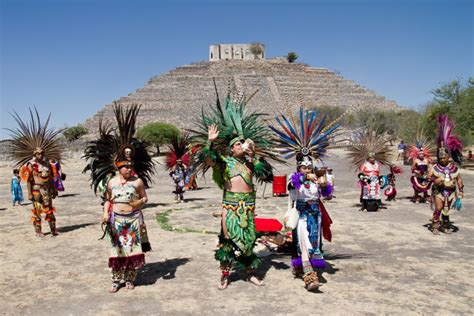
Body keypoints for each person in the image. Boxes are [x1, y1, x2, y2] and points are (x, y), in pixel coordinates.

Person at [191, 83, 279, 290]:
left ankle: (250, 273)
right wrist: (210, 142)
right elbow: (208, 159)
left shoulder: (251, 163)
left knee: (248, 242)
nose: (242, 145)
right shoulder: (225, 161)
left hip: (247, 208)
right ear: (231, 149)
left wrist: (255, 155)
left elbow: (267, 177)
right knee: (227, 241)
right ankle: (225, 275)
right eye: (238, 144)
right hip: (230, 207)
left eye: (243, 143)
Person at [83, 103, 155, 292]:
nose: (129, 169)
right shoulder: (112, 182)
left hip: (132, 220)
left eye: (131, 166)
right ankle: (116, 280)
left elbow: (145, 199)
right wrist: (105, 214)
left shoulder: (138, 182)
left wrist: (138, 202)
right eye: (126, 166)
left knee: (131, 250)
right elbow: (108, 199)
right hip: (116, 220)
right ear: (118, 167)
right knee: (116, 251)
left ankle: (130, 279)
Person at [269, 107, 339, 291]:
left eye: (309, 167)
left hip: (315, 215)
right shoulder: (295, 179)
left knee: (315, 242)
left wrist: (324, 186)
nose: (307, 169)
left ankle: (304, 268)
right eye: (303, 167)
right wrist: (305, 178)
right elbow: (293, 185)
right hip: (301, 214)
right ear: (299, 167)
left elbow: (327, 196)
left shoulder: (318, 178)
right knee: (303, 242)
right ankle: (310, 276)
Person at [8, 108, 63, 237]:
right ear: (34, 154)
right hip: (36, 189)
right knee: (37, 209)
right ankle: (38, 231)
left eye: (42, 153)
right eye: (38, 153)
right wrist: (29, 193)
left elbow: (51, 177)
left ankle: (53, 229)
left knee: (49, 210)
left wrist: (54, 189)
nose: (40, 155)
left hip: (47, 189)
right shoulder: (30, 165)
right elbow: (28, 180)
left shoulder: (47, 164)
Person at [428, 115, 464, 234]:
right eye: (441, 158)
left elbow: (459, 179)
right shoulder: (435, 167)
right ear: (438, 158)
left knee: (446, 209)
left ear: (448, 157)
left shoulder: (454, 168)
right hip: (439, 191)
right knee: (439, 208)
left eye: (445, 157)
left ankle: (445, 225)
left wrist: (461, 191)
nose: (443, 160)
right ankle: (435, 225)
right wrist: (435, 180)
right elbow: (429, 177)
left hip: (451, 191)